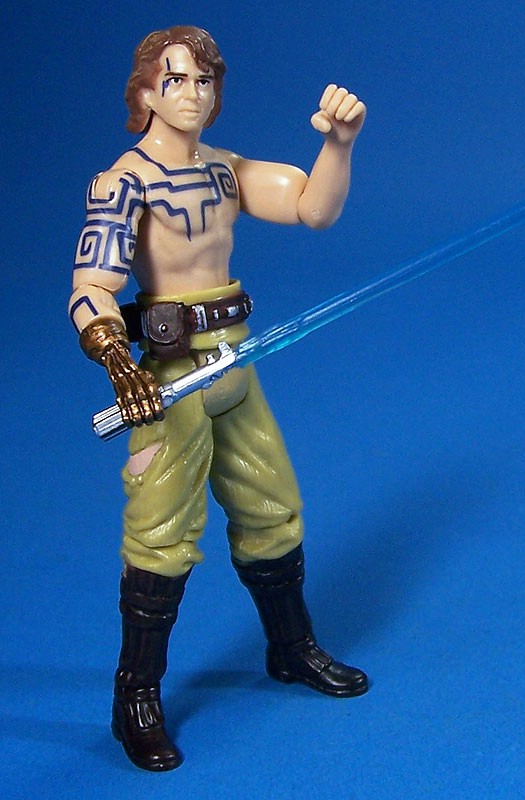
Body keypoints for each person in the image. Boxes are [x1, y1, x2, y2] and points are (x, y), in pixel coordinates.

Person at [69, 25, 368, 772]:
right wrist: (118, 361)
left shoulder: (225, 170)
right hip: (172, 375)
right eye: (175, 79)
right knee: (161, 532)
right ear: (145, 92)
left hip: (236, 358)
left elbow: (312, 208)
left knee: (272, 505)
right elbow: (92, 286)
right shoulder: (124, 183)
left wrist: (338, 144)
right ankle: (135, 695)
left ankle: (291, 647)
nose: (192, 93)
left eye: (204, 80)